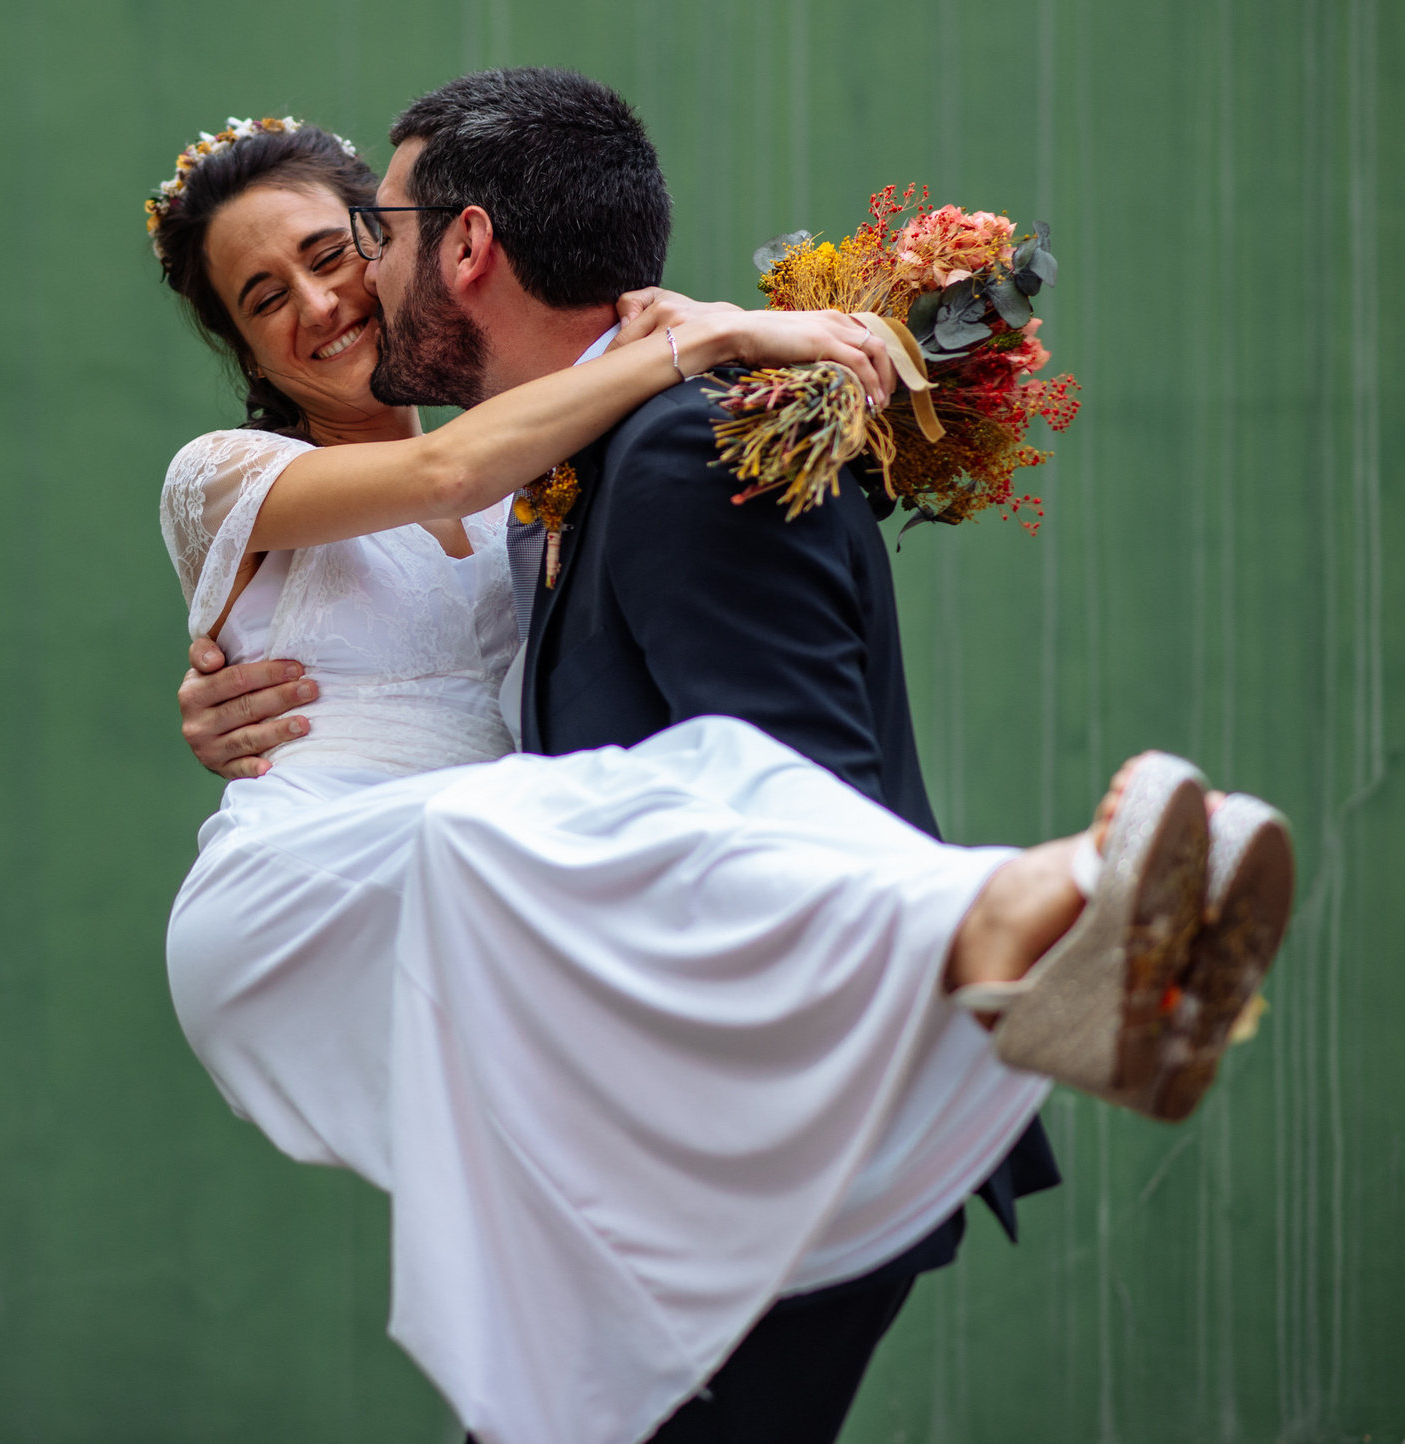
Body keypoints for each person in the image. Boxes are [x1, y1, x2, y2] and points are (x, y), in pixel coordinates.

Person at [149, 85, 1293, 1444]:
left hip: (515, 947)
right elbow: (453, 470)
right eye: (261, 299)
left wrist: (729, 346)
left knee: (632, 824)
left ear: (419, 247)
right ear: (247, 355)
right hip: (314, 891)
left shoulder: (574, 475)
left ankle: (1060, 952)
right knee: (570, 816)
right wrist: (717, 329)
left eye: (337, 252)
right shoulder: (227, 475)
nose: (317, 304)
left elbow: (544, 426)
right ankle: (1026, 915)